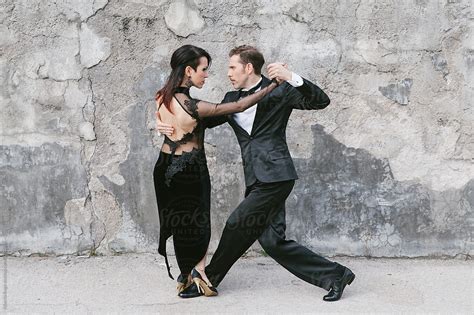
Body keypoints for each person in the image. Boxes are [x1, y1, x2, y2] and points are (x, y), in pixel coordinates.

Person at [158, 45, 355, 301]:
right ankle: (336, 275)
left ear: (248, 67)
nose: (227, 73)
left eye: (232, 67)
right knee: (273, 242)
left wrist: (291, 77)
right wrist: (162, 123)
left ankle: (208, 279)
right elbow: (195, 119)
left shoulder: (282, 90)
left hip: (277, 176)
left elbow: (321, 101)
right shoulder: (231, 99)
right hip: (254, 177)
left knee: (236, 223)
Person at [153, 44, 278, 298]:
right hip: (190, 170)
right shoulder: (191, 104)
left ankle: (186, 274)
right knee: (198, 223)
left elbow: (167, 120)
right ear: (189, 70)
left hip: (164, 168)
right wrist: (273, 85)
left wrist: (160, 124)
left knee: (178, 222)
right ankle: (199, 273)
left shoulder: (162, 96)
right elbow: (240, 106)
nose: (207, 75)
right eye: (204, 69)